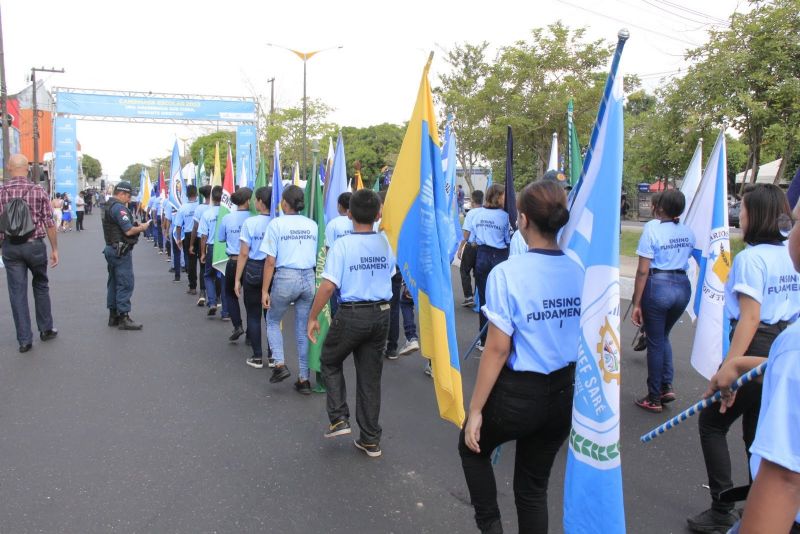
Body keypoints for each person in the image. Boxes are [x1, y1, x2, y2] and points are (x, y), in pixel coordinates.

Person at [459, 180, 582, 533]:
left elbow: (497, 349)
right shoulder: (577, 266)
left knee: (471, 448)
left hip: (518, 395)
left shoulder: (507, 274)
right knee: (533, 488)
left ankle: (491, 526)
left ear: (523, 220)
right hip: (562, 394)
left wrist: (476, 410)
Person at [688, 184, 800, 532]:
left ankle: (722, 505)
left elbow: (749, 318)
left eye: (745, 211)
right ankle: (758, 503)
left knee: (712, 423)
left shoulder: (751, 258)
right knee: (760, 429)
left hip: (759, 344)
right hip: (780, 339)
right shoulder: (785, 254)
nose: (740, 217)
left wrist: (728, 369)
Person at [308, 189, 394, 458]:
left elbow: (328, 285)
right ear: (379, 213)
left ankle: (338, 418)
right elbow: (390, 273)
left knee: (330, 359)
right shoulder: (386, 243)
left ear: (349, 213)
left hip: (353, 313)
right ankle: (370, 439)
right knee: (370, 377)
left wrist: (313, 316)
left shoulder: (343, 245)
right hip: (381, 315)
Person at [630, 189, 695, 412]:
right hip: (682, 287)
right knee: (662, 336)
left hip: (658, 287)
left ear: (660, 207)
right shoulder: (687, 231)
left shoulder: (652, 228)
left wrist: (637, 302)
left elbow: (642, 271)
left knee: (655, 341)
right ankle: (666, 385)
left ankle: (654, 396)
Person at [260, 185, 317, 392]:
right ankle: (304, 379)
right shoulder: (312, 224)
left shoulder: (276, 224)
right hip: (309, 277)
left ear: (285, 202)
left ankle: (280, 364)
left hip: (286, 276)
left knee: (273, 320)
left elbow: (270, 261)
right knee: (303, 329)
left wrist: (265, 290)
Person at [0, 154, 59, 352]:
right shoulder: (38, 191)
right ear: (28, 169)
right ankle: (46, 329)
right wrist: (54, 249)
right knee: (41, 284)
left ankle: (24, 340)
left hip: (11, 247)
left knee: (17, 293)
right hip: (35, 245)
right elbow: (49, 222)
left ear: (9, 168)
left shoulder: (1, 191)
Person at [462, 183, 510, 349]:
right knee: (501, 299)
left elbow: (471, 237)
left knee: (484, 298)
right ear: (498, 196)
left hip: (482, 255)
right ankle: (500, 340)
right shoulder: (505, 216)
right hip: (500, 257)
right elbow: (508, 239)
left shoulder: (477, 214)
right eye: (504, 195)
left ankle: (484, 340)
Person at [102, 181, 151, 330]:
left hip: (111, 248)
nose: (129, 200)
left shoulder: (108, 206)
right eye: (128, 196)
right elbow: (129, 231)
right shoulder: (119, 208)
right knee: (125, 282)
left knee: (113, 282)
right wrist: (142, 227)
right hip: (120, 250)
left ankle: (113, 315)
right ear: (121, 193)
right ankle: (124, 317)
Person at [234, 186, 273, 369]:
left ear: (260, 202)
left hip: (254, 267)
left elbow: (243, 253)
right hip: (272, 269)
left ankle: (258, 356)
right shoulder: (276, 221)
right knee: (272, 316)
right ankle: (274, 356)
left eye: (256, 199)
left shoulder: (250, 223)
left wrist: (237, 279)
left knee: (254, 314)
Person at [217, 187, 252, 344]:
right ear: (247, 201)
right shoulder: (254, 217)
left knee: (230, 294)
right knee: (252, 299)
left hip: (233, 260)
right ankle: (253, 331)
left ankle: (237, 325)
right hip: (252, 262)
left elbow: (221, 238)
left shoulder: (227, 218)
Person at [325, 192, 354, 315]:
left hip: (338, 270)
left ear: (339, 206)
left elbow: (328, 249)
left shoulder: (333, 224)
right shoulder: (358, 221)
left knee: (336, 305)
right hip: (355, 267)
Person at [199, 186, 225, 317]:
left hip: (212, 247)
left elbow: (203, 236)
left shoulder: (207, 214)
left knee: (208, 275)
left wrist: (203, 253)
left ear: (212, 198)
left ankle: (212, 301)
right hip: (225, 247)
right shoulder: (227, 212)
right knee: (223, 276)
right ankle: (225, 311)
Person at [459, 189, 484, 307]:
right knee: (478, 273)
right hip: (483, 247)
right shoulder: (486, 212)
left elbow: (466, 233)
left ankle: (469, 296)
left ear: (473, 201)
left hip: (471, 246)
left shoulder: (471, 213)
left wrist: (460, 248)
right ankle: (479, 297)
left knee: (464, 270)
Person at [173, 185, 199, 294]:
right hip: (201, 234)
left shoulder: (183, 208)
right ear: (196, 194)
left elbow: (178, 225)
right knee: (203, 262)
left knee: (191, 262)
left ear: (187, 195)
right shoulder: (200, 206)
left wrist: (178, 238)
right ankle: (204, 288)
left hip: (188, 235)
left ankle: (192, 287)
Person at [191, 185, 212, 306]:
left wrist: (191, 243)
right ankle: (216, 296)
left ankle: (203, 293)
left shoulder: (199, 208)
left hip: (202, 240)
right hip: (215, 241)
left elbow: (195, 227)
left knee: (203, 267)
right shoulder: (218, 208)